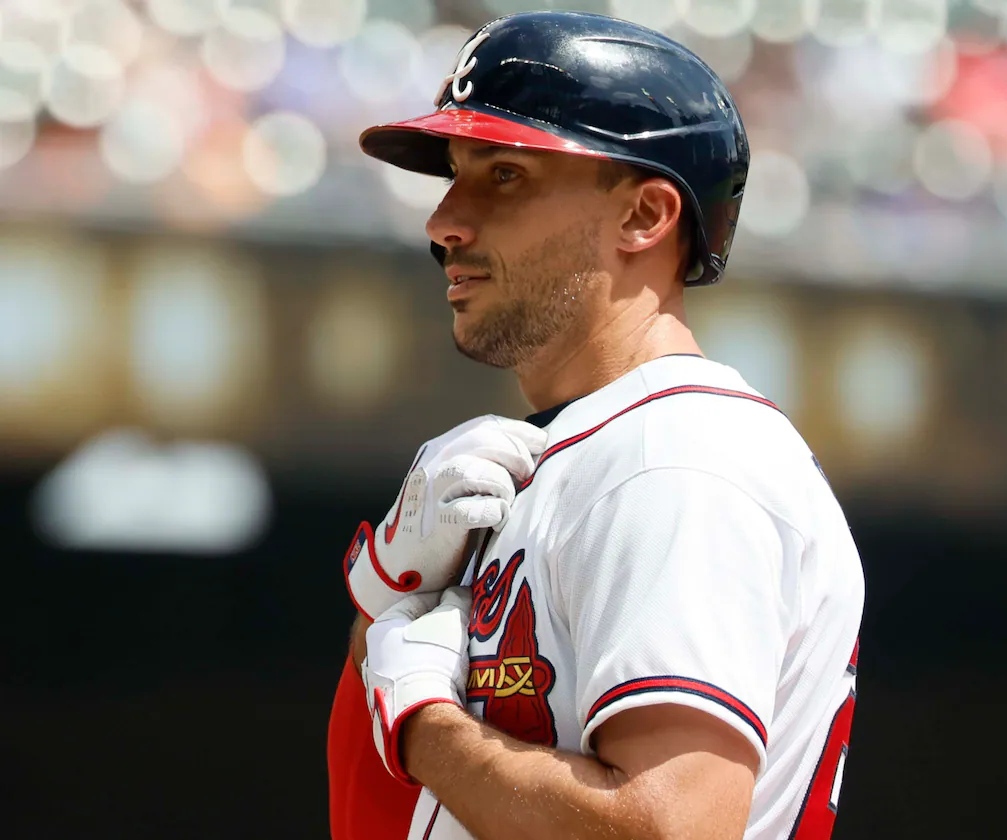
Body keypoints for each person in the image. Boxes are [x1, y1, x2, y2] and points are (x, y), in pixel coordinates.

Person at [327, 11, 865, 840]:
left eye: (505, 175)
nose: (445, 222)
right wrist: (384, 609)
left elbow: (668, 828)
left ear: (645, 216)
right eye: (455, 176)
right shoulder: (590, 452)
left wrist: (422, 728)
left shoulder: (677, 460)